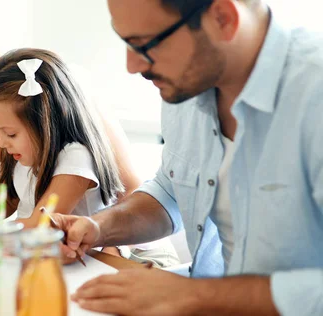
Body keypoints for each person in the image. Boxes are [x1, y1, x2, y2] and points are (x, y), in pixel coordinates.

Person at [53, 0, 323, 314]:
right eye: (126, 42)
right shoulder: (186, 87)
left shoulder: (313, 97)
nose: (133, 66)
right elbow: (170, 192)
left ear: (223, 18)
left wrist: (198, 295)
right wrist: (100, 227)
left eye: (145, 45)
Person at [0, 48, 179, 267]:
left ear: (44, 122)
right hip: (83, 261)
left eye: (9, 133)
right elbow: (12, 201)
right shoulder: (26, 156)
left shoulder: (75, 159)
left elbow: (38, 227)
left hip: (138, 259)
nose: (1, 142)